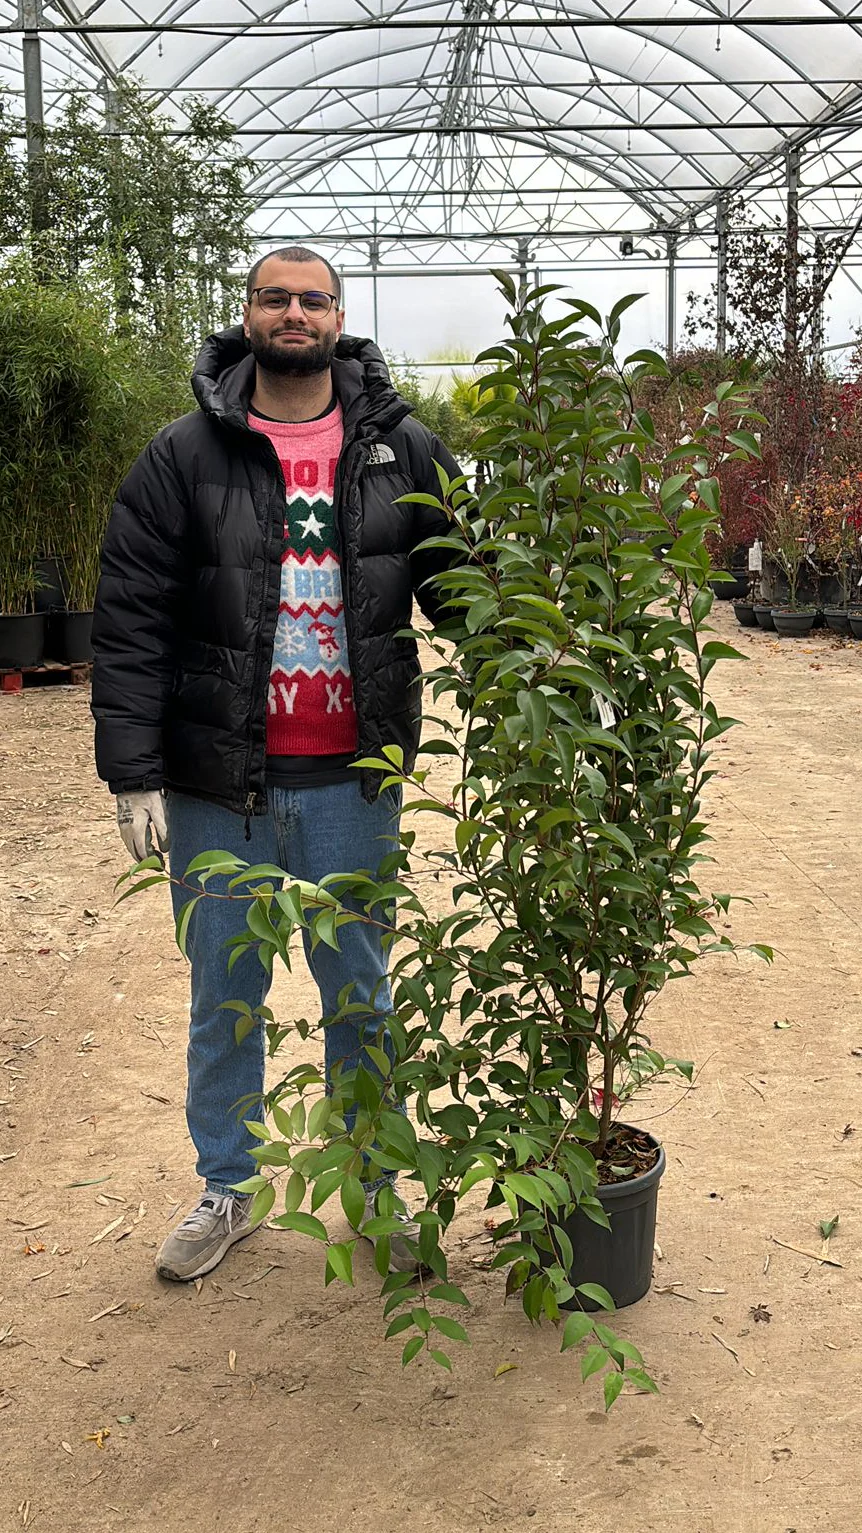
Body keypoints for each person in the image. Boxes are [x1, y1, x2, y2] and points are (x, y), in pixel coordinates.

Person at [91, 246, 462, 1282]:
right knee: (226, 996)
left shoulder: (401, 449)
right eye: (273, 297)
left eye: (312, 299)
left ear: (339, 317)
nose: (293, 313)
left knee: (361, 996)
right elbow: (131, 619)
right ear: (246, 314)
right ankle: (228, 1184)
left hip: (353, 783)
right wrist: (132, 770)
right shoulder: (182, 456)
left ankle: (375, 1185)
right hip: (220, 788)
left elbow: (463, 584)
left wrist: (546, 678)